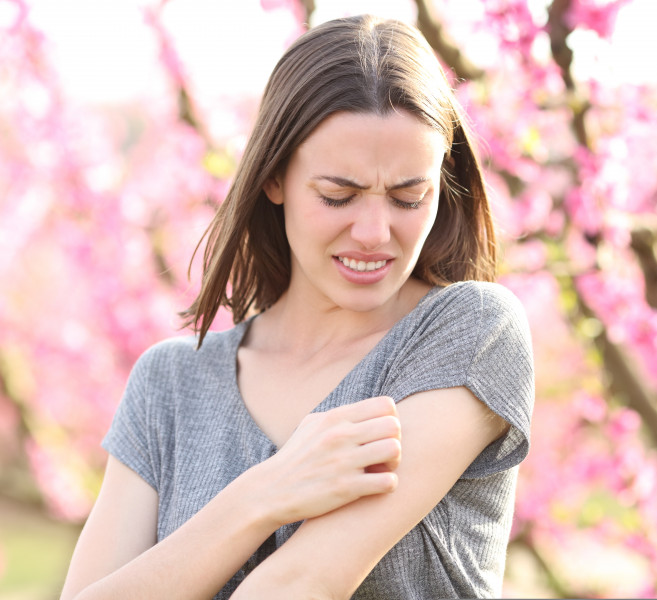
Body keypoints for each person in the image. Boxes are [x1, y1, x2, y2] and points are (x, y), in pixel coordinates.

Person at [61, 14, 534, 600]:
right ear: (274, 177)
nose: (373, 231)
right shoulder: (170, 385)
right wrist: (263, 495)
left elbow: (301, 583)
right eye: (339, 195)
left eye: (410, 197)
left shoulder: (471, 333)